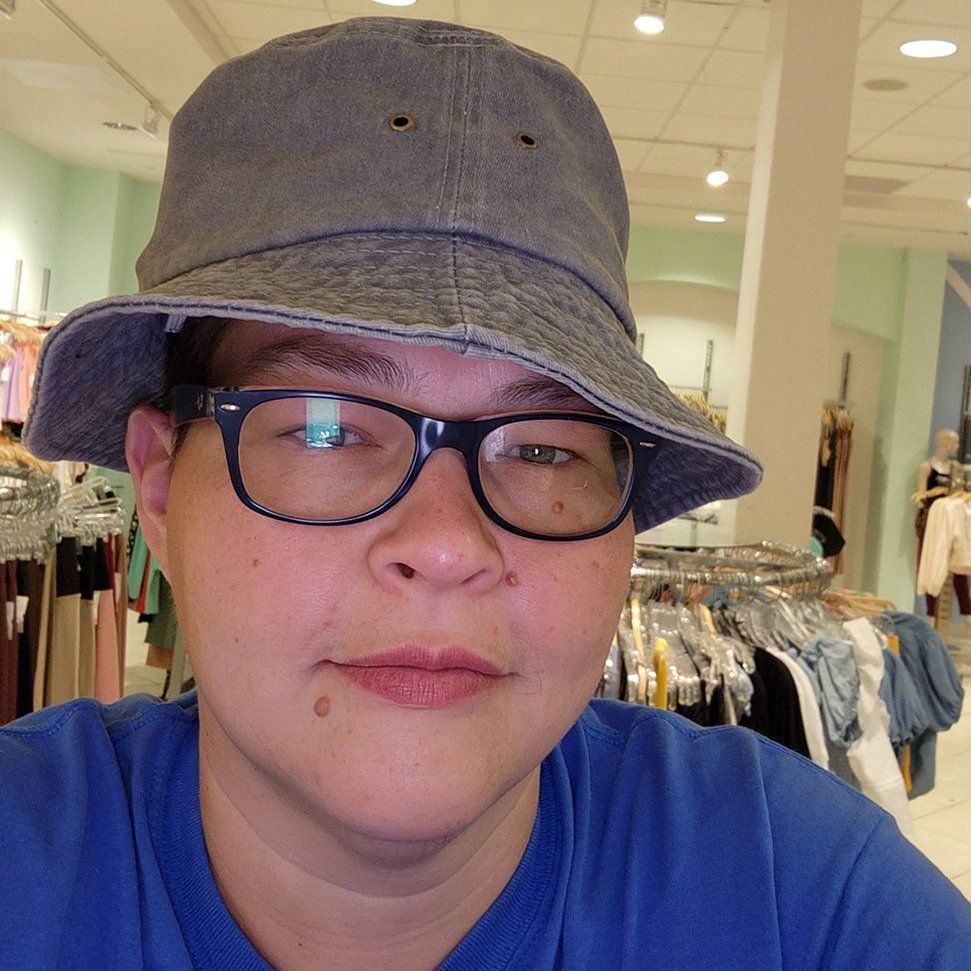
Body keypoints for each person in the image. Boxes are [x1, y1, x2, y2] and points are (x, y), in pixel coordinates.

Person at [3, 17, 970, 970]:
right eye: (326, 428)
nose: (447, 543)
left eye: (543, 450)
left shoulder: (803, 894)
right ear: (161, 487)